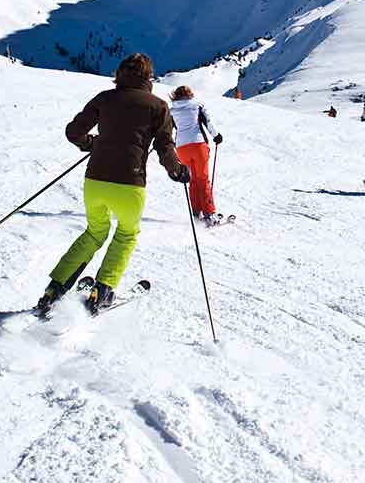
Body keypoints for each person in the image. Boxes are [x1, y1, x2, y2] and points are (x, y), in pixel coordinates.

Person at [36, 53, 189, 315]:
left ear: (120, 74)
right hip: (130, 183)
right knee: (126, 234)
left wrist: (91, 144)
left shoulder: (104, 98)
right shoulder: (158, 106)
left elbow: (74, 132)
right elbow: (165, 147)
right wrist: (177, 171)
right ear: (148, 77)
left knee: (95, 233)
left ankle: (55, 288)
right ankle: (102, 290)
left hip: (95, 180)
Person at [170, 86, 224, 224]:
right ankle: (210, 214)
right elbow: (208, 122)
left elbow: (168, 130)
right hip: (198, 145)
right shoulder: (197, 105)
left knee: (192, 180)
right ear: (190, 94)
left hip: (181, 147)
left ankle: (196, 212)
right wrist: (216, 136)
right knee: (203, 179)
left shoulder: (172, 111)